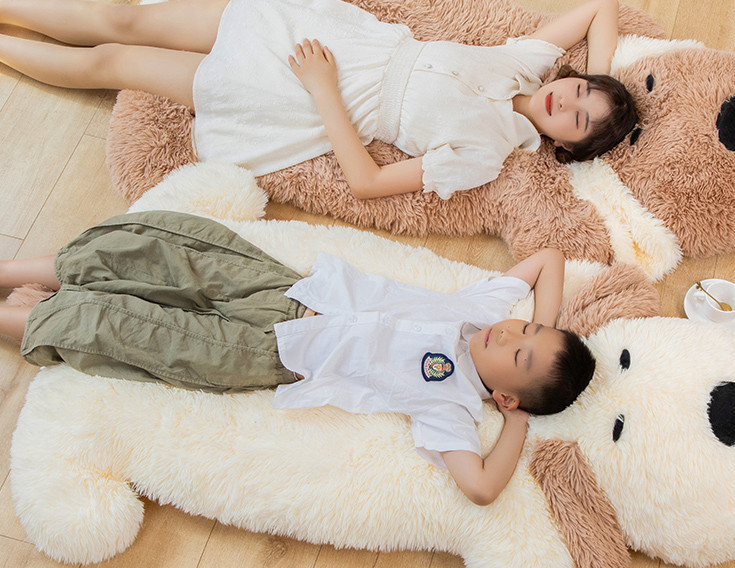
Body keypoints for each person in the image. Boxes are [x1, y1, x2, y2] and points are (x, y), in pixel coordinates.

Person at [0, 212, 594, 505]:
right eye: (526, 328)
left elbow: (482, 487)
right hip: (285, 290)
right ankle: (15, 273)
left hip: (267, 352)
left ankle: (25, 316)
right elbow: (549, 260)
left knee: (134, 331)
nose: (508, 334)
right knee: (158, 252)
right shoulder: (479, 309)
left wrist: (516, 421)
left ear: (505, 394)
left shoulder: (451, 405)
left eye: (519, 355)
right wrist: (548, 331)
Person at [0, 0, 637, 200]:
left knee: (112, 61)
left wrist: (323, 88)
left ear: (564, 146)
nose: (569, 98)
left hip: (297, 89)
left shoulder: (486, 155)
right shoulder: (524, 63)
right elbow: (601, 7)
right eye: (582, 89)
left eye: (579, 118)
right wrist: (608, 80)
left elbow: (368, 183)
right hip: (316, 32)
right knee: (126, 20)